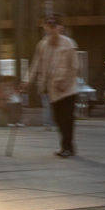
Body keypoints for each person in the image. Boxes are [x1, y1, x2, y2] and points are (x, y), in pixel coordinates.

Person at [30, 14, 79, 157]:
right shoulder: (42, 45)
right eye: (48, 27)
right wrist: (27, 81)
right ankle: (65, 146)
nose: (51, 30)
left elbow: (75, 67)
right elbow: (35, 64)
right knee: (58, 119)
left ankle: (68, 148)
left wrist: (66, 82)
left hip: (68, 89)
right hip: (53, 89)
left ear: (60, 28)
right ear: (45, 27)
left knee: (67, 119)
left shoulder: (69, 44)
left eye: (54, 26)